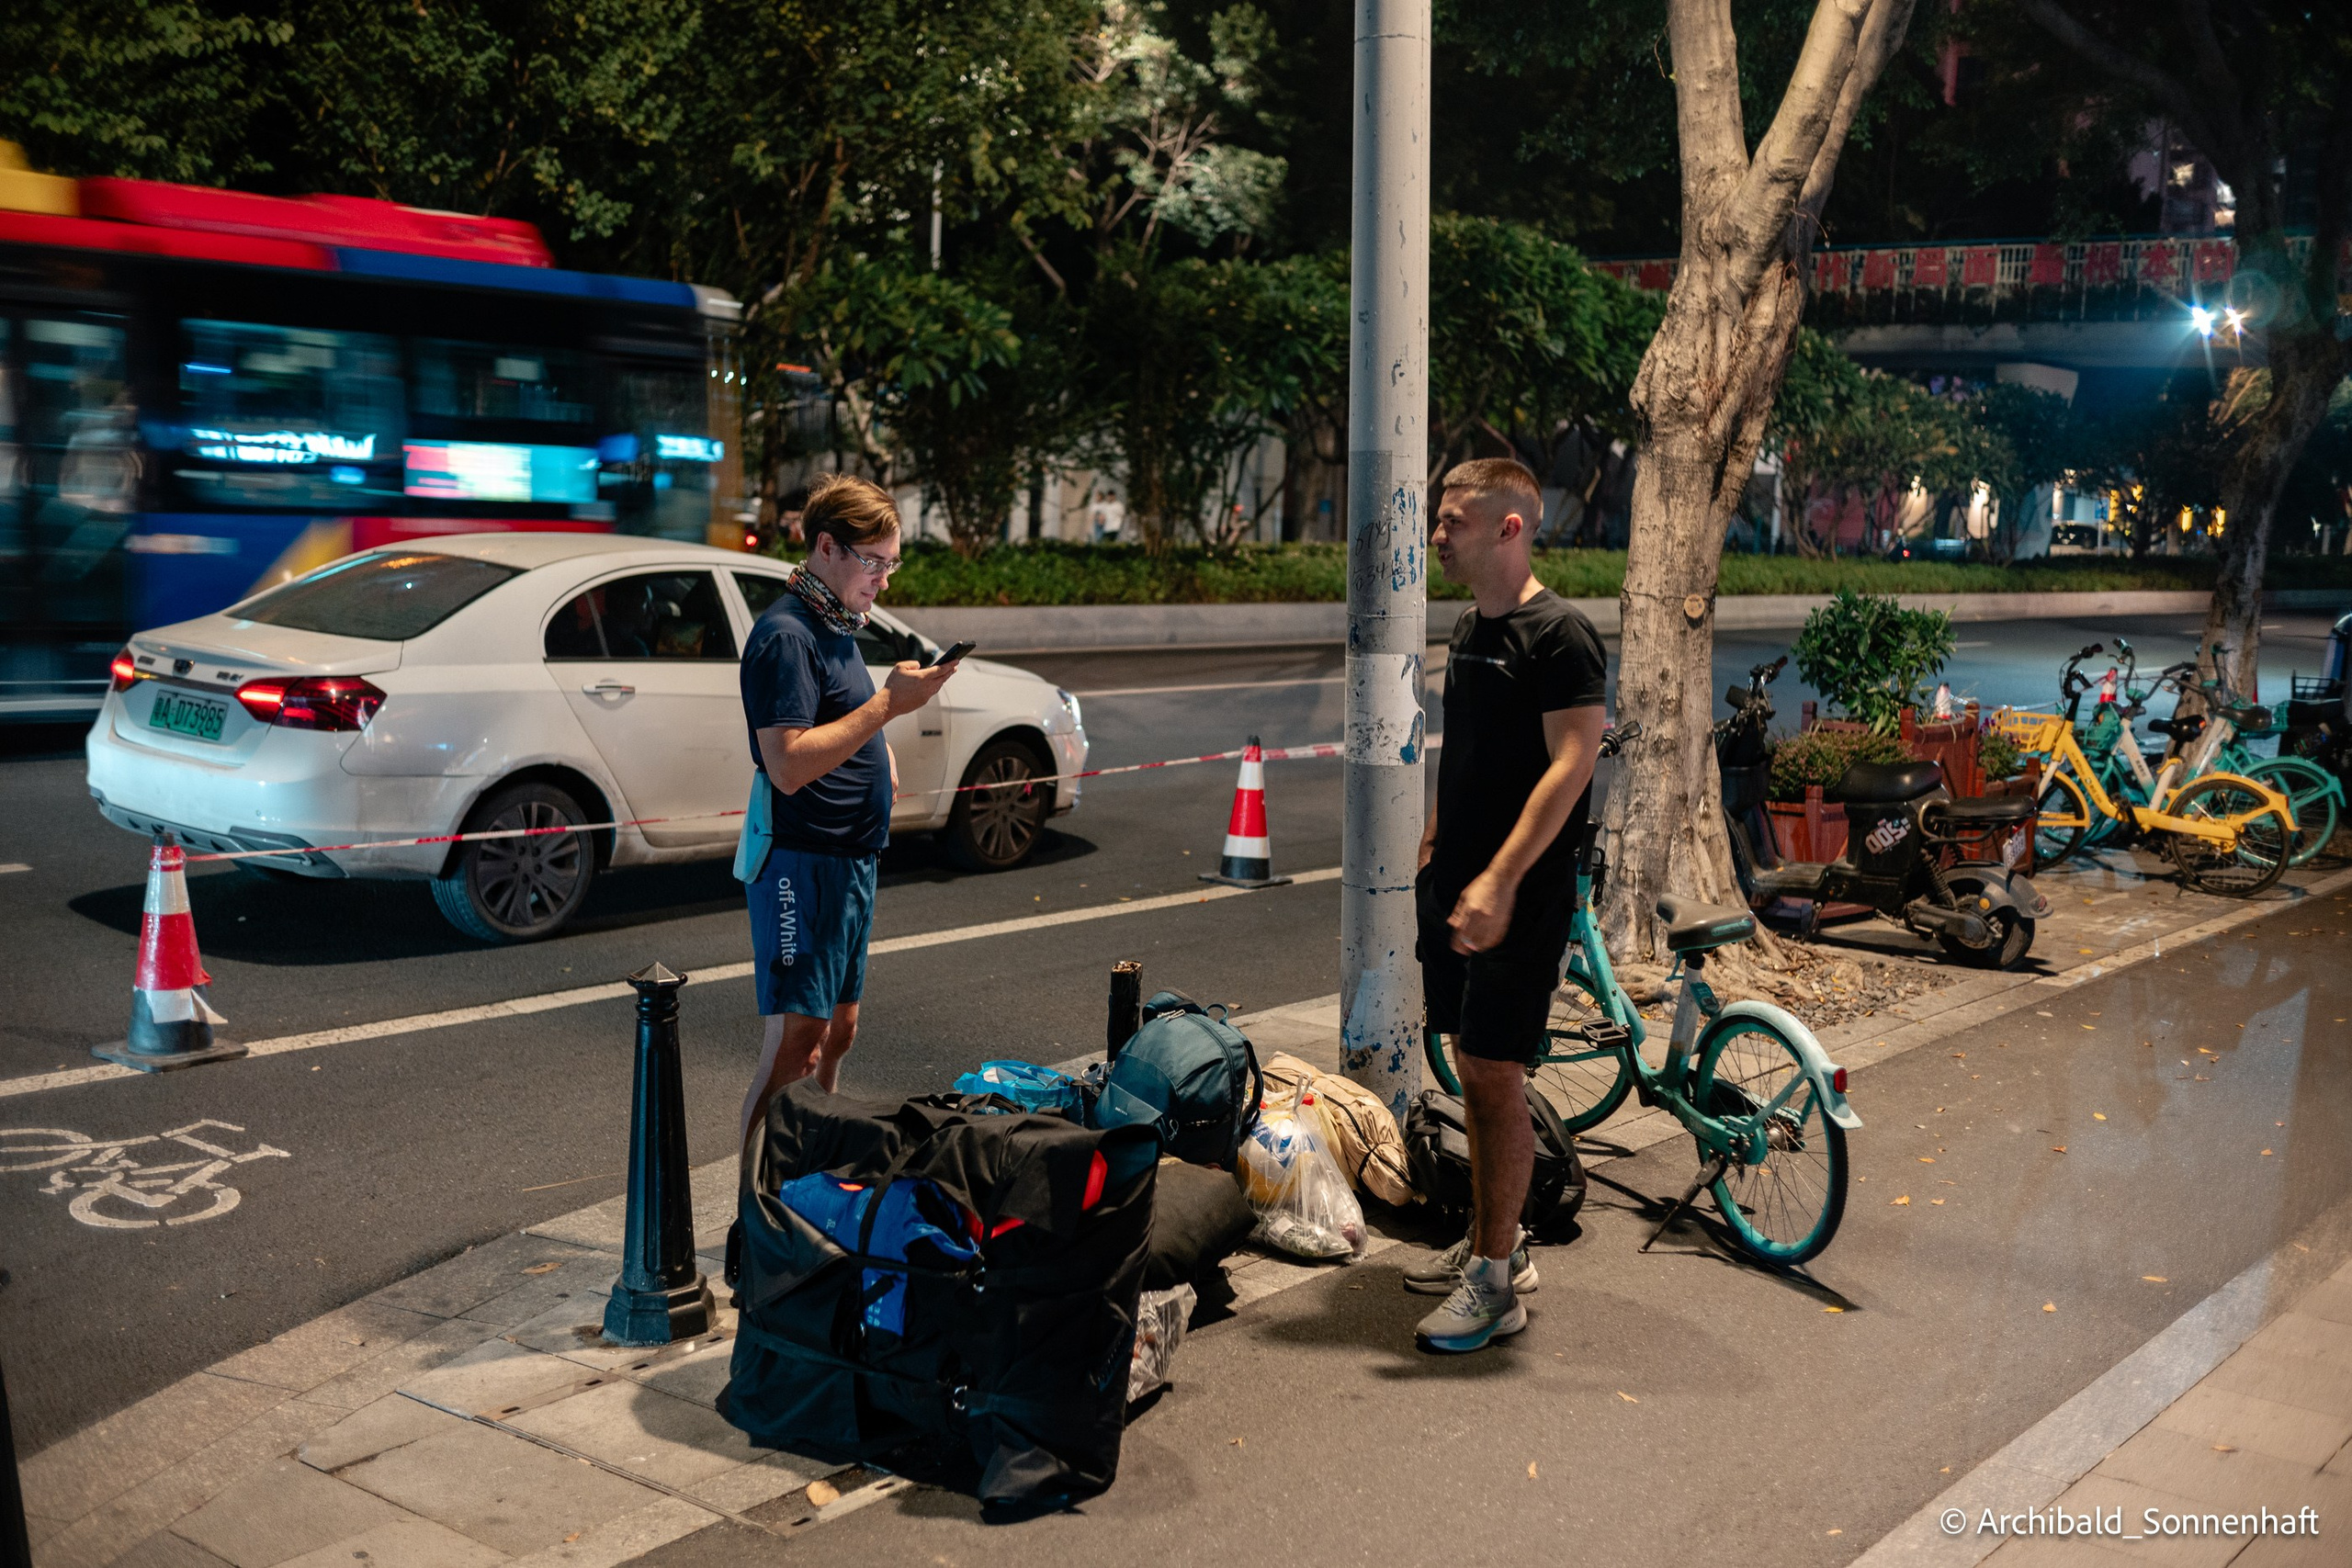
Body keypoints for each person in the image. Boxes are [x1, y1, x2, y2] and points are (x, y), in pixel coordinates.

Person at [1408, 457, 1609, 1353]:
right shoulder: (1468, 627)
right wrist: (1438, 841)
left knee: (1494, 1076)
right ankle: (1498, 1246)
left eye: (1454, 520)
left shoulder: (1560, 634)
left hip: (1518, 898)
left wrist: (1497, 879)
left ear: (1509, 527)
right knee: (1471, 1064)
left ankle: (1495, 1287)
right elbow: (1471, 744)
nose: (1439, 533)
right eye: (1439, 518)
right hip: (1455, 884)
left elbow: (1572, 765)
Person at [737, 475, 958, 1150]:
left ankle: (810, 1169)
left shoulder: (837, 627)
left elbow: (842, 723)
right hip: (801, 864)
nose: (884, 581)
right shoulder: (787, 635)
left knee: (839, 1031)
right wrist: (888, 705)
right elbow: (789, 763)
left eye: (892, 564)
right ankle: (759, 1205)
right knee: (796, 1044)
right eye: (875, 561)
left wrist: (878, 747)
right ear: (828, 547)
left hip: (851, 861)